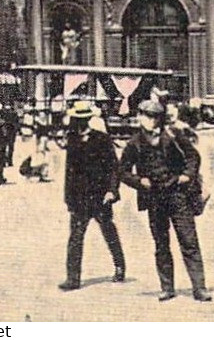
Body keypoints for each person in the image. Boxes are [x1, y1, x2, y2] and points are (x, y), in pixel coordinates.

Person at [119, 100, 210, 302]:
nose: (150, 120)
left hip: (178, 195)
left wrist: (187, 174)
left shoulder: (174, 136)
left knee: (189, 240)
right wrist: (139, 181)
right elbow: (122, 171)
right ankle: (167, 287)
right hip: (154, 199)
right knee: (161, 244)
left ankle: (199, 288)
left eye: (154, 117)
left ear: (160, 119)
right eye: (146, 116)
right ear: (140, 117)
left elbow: (193, 156)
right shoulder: (134, 143)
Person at [60, 100, 126, 291]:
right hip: (79, 198)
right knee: (75, 237)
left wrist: (112, 190)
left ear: (88, 120)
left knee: (108, 232)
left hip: (100, 196)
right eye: (75, 119)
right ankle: (73, 278)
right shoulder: (72, 139)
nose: (77, 123)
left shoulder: (101, 139)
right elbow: (69, 171)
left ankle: (120, 266)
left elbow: (114, 166)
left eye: (81, 119)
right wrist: (68, 198)